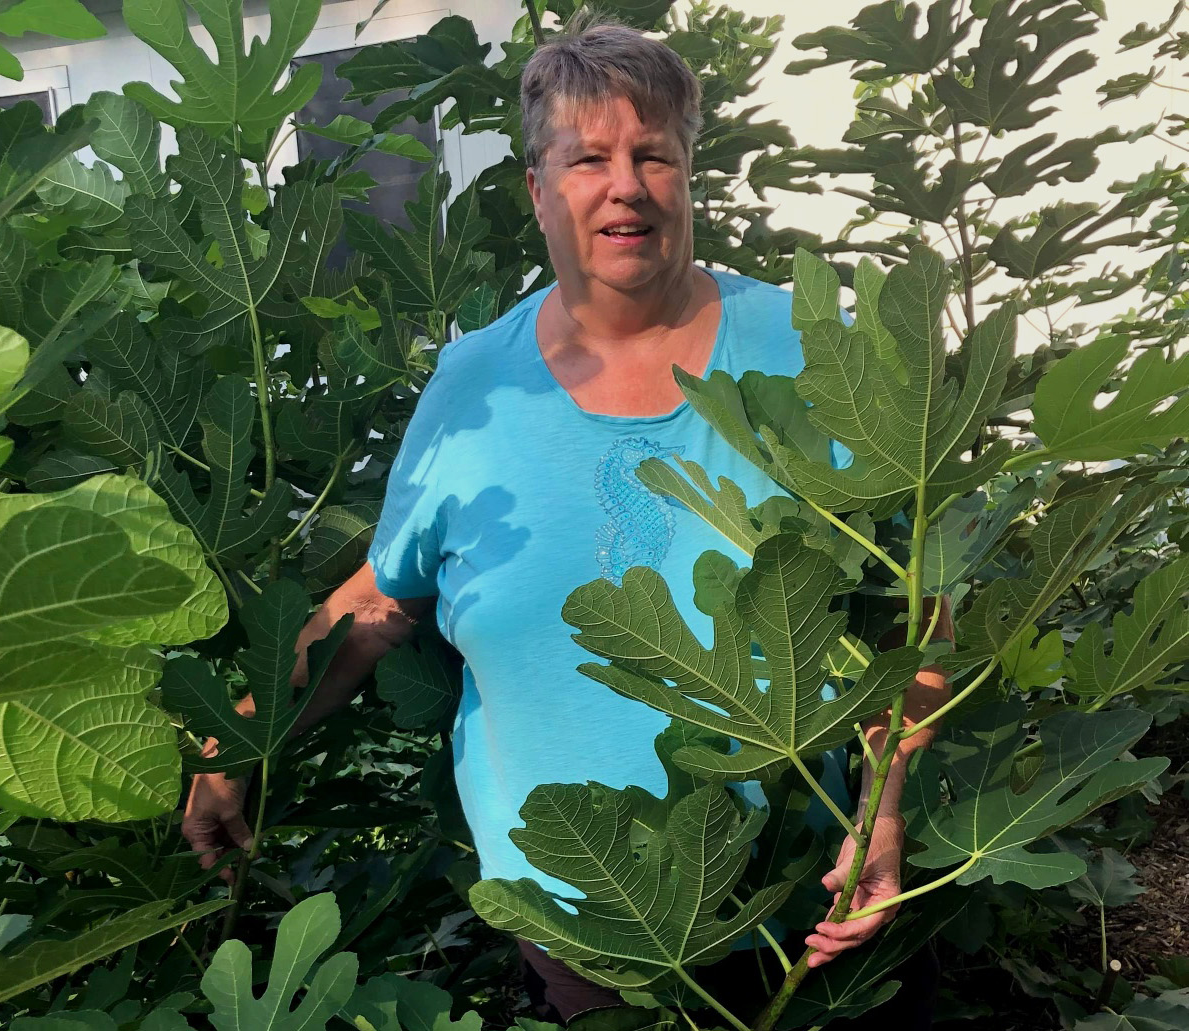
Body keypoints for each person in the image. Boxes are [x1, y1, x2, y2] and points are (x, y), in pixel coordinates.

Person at [183, 14, 951, 1027]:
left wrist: (882, 809)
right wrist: (246, 736)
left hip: (791, 902)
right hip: (569, 921)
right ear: (539, 189)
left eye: (654, 155)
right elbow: (385, 599)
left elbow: (920, 597)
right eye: (588, 157)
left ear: (688, 178)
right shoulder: (471, 386)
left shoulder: (809, 347)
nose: (625, 184)